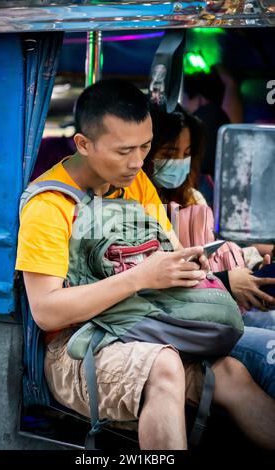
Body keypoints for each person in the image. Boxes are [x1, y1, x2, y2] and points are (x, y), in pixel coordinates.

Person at [16, 79, 275, 450]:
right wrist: (140, 277)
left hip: (142, 325)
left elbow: (168, 252)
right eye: (123, 151)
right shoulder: (48, 206)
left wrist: (191, 264)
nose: (138, 162)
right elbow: (47, 312)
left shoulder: (135, 184)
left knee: (231, 374)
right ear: (84, 145)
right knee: (163, 365)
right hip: (75, 349)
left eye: (145, 146)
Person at [144, 106, 275, 399]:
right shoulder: (135, 210)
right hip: (187, 322)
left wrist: (251, 256)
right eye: (168, 151)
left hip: (218, 308)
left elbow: (211, 253)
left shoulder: (193, 199)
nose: (179, 162)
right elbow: (156, 289)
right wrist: (226, 281)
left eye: (186, 152)